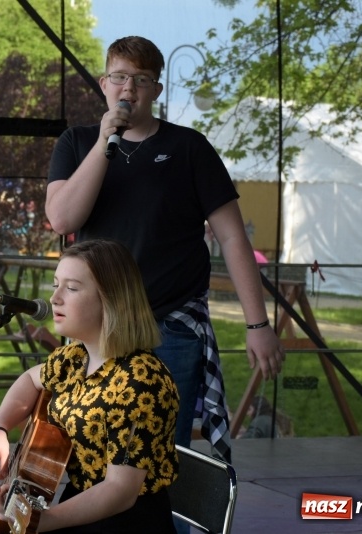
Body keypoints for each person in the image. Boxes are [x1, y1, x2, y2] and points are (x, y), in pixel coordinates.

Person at [45, 35, 285, 460]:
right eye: (119, 77)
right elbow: (63, 220)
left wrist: (258, 325)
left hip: (170, 326)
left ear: (156, 90)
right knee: (92, 452)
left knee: (160, 462)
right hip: (97, 328)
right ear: (104, 84)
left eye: (141, 79)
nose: (128, 89)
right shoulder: (78, 143)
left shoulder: (188, 148)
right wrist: (105, 144)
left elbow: (232, 237)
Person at [0, 239, 179, 533]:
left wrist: (43, 521)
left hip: (125, 522)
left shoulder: (141, 381)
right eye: (56, 284)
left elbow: (120, 492)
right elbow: (29, 380)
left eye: (71, 288)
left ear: (111, 299)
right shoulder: (74, 358)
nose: (55, 298)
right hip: (78, 503)